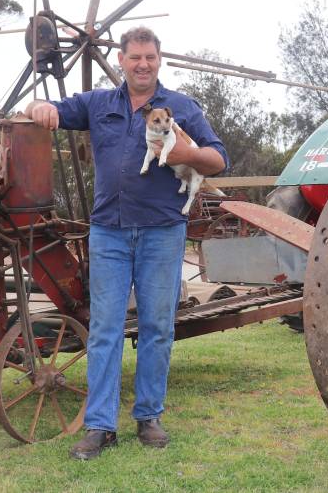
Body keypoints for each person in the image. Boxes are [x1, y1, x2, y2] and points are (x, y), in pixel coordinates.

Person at [26, 26, 227, 460]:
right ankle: (100, 426)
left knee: (157, 328)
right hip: (109, 233)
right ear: (121, 59)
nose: (142, 64)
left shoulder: (182, 108)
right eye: (135, 57)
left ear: (159, 59)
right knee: (104, 330)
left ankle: (149, 416)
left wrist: (187, 154)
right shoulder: (98, 104)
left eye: (150, 57)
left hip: (162, 231)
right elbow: (53, 110)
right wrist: (38, 106)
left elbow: (218, 158)